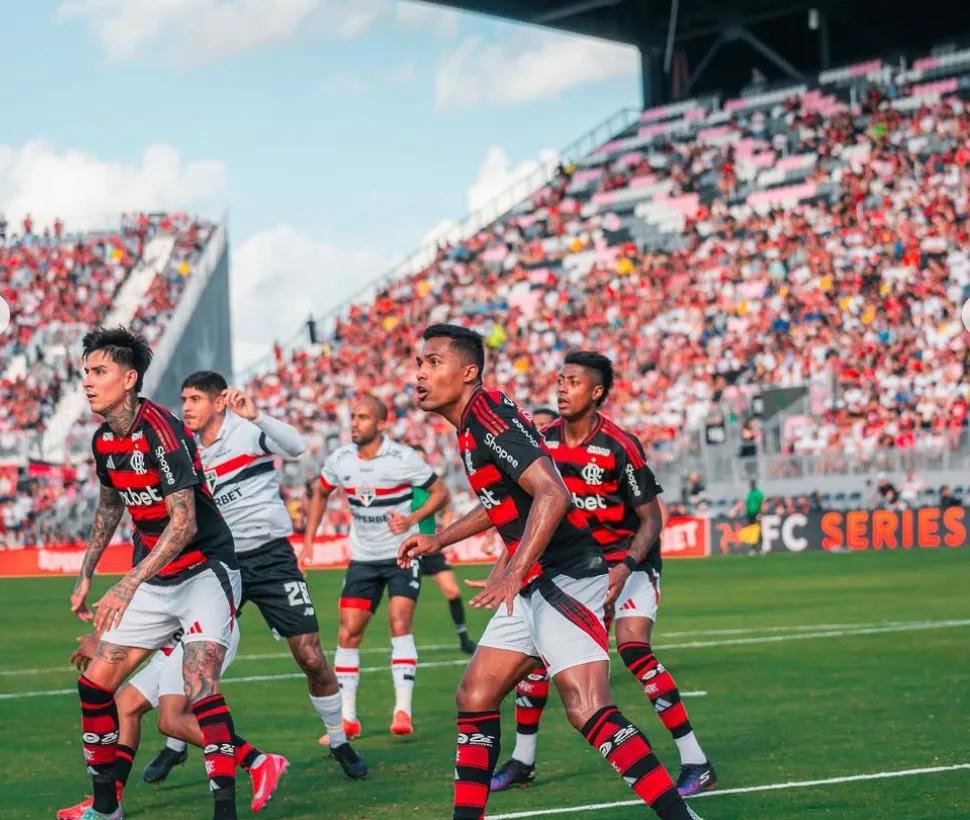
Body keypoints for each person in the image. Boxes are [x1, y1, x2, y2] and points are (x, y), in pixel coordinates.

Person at [399, 324, 705, 820]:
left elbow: (553, 494)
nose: (419, 373)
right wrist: (440, 539)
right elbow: (505, 499)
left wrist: (512, 572)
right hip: (535, 578)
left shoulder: (488, 415)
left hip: (565, 576)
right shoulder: (475, 422)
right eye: (419, 362)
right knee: (475, 695)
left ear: (468, 372)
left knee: (586, 706)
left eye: (433, 362)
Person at [490, 352, 717, 797]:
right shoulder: (542, 440)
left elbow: (651, 520)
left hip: (627, 565)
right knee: (535, 661)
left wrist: (625, 566)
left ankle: (696, 761)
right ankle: (523, 760)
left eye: (571, 381)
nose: (560, 388)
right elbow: (525, 512)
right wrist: (508, 568)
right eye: (559, 379)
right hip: (574, 569)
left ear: (595, 393)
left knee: (635, 651)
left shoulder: (619, 445)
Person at [70, 327, 246, 820]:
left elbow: (184, 522)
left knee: (200, 685)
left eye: (98, 372)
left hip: (205, 571)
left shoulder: (162, 430)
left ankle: (225, 812)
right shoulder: (104, 439)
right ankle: (106, 810)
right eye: (86, 372)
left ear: (129, 379)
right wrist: (87, 573)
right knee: (95, 685)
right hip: (157, 577)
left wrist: (126, 582)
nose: (87, 381)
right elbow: (110, 505)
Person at [166, 371, 366, 778]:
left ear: (220, 401)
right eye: (184, 399)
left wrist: (258, 416)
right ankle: (175, 742)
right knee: (195, 658)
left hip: (272, 558)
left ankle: (339, 741)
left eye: (195, 399)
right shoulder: (186, 452)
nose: (186, 407)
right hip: (219, 564)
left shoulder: (245, 432)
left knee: (310, 656)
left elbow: (294, 446)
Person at [304, 396, 451, 740]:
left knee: (400, 622)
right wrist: (309, 540)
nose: (355, 423)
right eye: (353, 416)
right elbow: (321, 493)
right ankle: (348, 718)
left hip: (402, 554)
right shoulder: (340, 460)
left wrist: (412, 519)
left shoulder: (402, 458)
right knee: (347, 633)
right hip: (364, 558)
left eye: (363, 417)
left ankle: (402, 710)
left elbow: (440, 492)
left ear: (381, 424)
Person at [58, 625, 287, 819]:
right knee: (124, 706)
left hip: (199, 628)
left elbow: (140, 590)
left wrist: (101, 639)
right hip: (175, 629)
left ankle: (258, 760)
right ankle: (109, 801)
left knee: (172, 720)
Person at [410, 443, 477, 656]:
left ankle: (464, 639)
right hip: (408, 549)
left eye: (422, 459)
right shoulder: (400, 487)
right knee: (406, 600)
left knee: (453, 591)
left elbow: (447, 509)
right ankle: (402, 646)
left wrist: (443, 533)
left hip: (430, 546)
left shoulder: (433, 487)